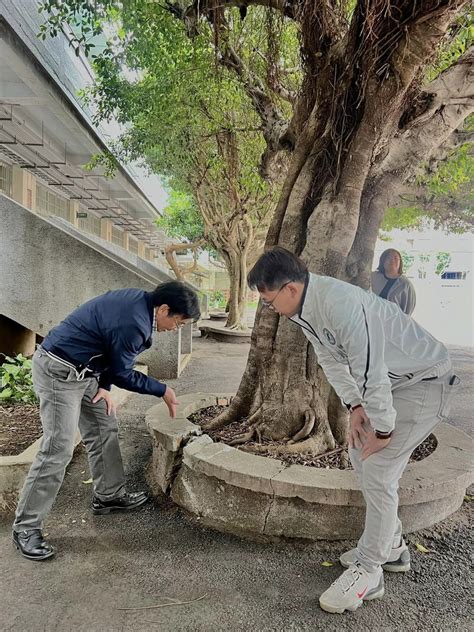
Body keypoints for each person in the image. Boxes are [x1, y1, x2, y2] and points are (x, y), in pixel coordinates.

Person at [247, 247, 458, 615]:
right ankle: (391, 547)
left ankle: (370, 570)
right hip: (397, 383)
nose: (269, 308)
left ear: (291, 289)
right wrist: (355, 406)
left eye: (269, 301)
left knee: (378, 467)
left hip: (426, 381)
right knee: (360, 454)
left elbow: (371, 370)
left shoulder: (339, 304)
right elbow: (330, 357)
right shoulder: (305, 310)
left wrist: (385, 429)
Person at [13, 282, 200, 561]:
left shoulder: (139, 302)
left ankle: (109, 496)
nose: (177, 329)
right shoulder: (134, 322)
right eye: (179, 322)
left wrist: (104, 387)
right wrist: (163, 390)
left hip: (86, 371)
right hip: (59, 373)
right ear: (164, 309)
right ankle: (26, 528)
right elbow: (123, 372)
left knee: (103, 426)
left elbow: (108, 348)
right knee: (58, 449)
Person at [371, 248, 416, 315]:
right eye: (388, 258)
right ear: (383, 261)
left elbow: (408, 310)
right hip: (371, 317)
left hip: (392, 322)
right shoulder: (373, 276)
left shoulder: (406, 284)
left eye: (396, 258)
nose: (392, 261)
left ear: (400, 262)